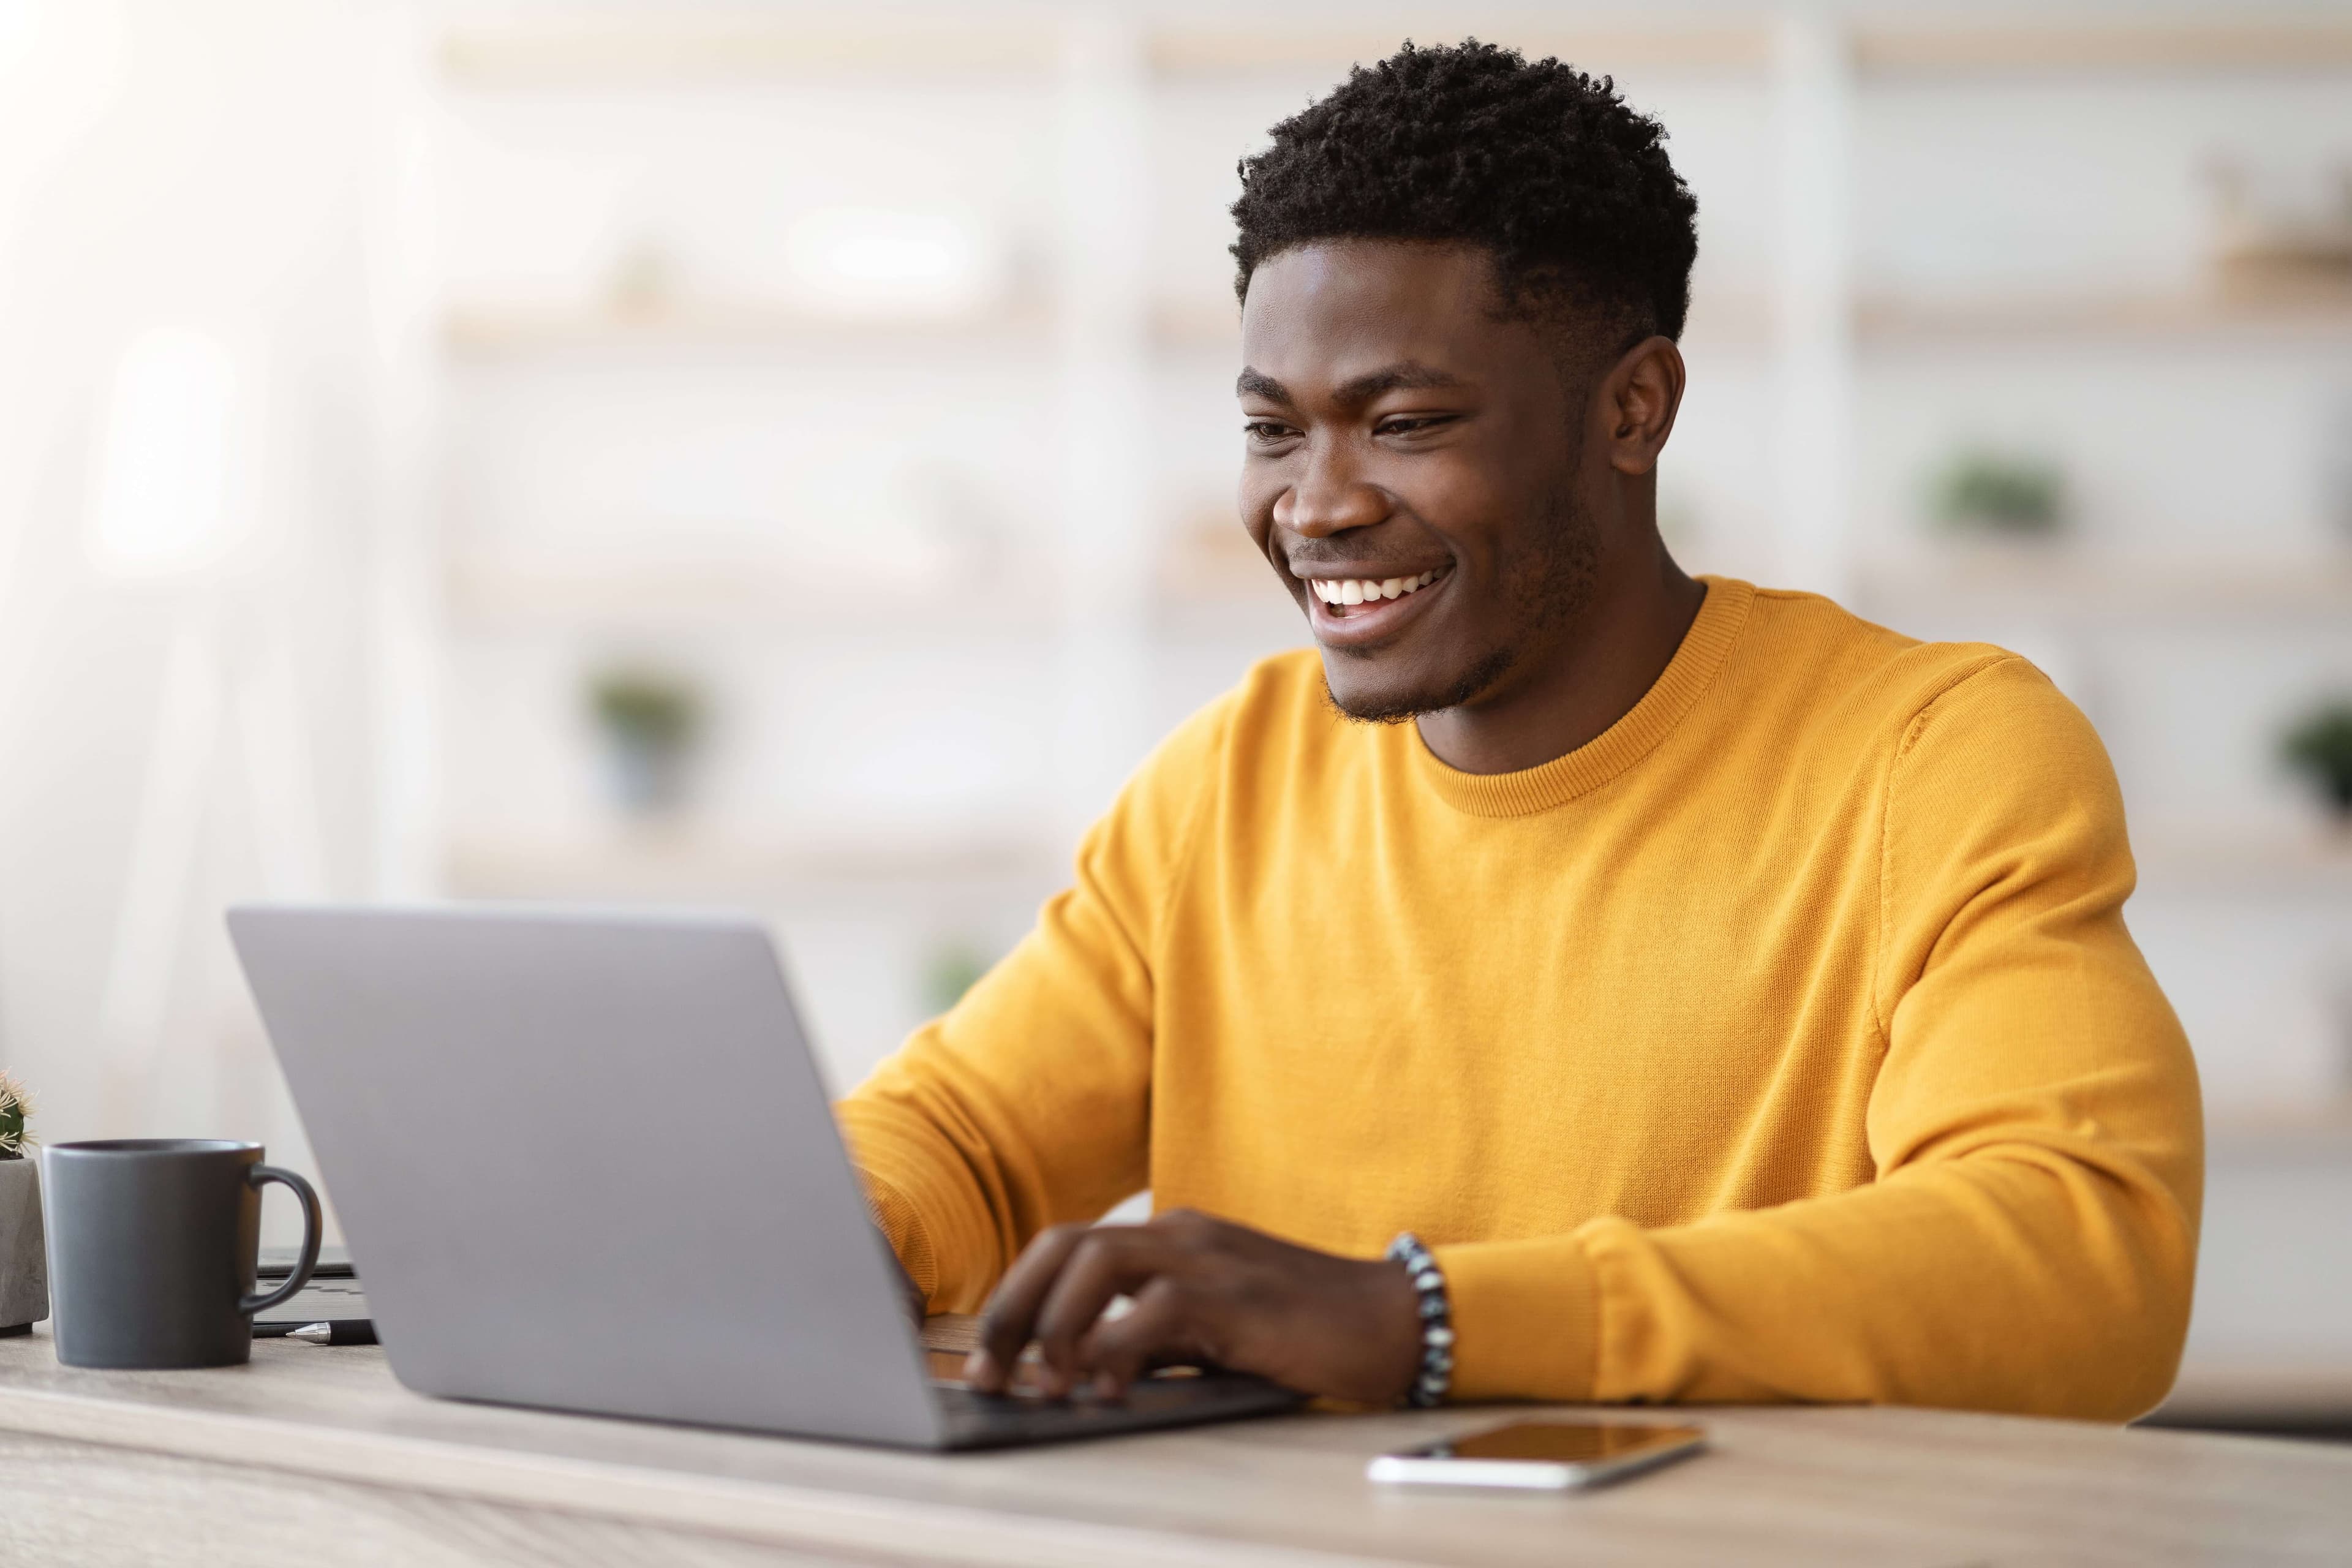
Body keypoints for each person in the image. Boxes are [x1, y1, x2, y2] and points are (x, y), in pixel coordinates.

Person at [837, 40, 2200, 1419]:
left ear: (1632, 408)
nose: (1315, 505)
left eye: (1406, 421)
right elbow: (959, 1137)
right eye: (1273, 431)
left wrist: (1419, 1318)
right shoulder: (1232, 778)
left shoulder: (1935, 755)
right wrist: (822, 1234)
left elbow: (2083, 1263)